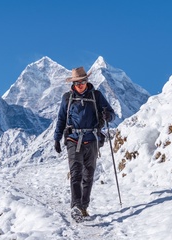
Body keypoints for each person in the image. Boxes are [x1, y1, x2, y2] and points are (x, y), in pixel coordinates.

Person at [54, 66, 115, 222]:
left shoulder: (97, 96)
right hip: (73, 139)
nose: (80, 84)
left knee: (88, 175)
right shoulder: (67, 98)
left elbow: (111, 114)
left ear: (87, 81)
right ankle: (75, 206)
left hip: (92, 139)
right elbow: (61, 119)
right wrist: (57, 138)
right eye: (77, 82)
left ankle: (83, 207)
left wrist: (108, 115)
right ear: (73, 84)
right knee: (76, 173)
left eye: (82, 81)